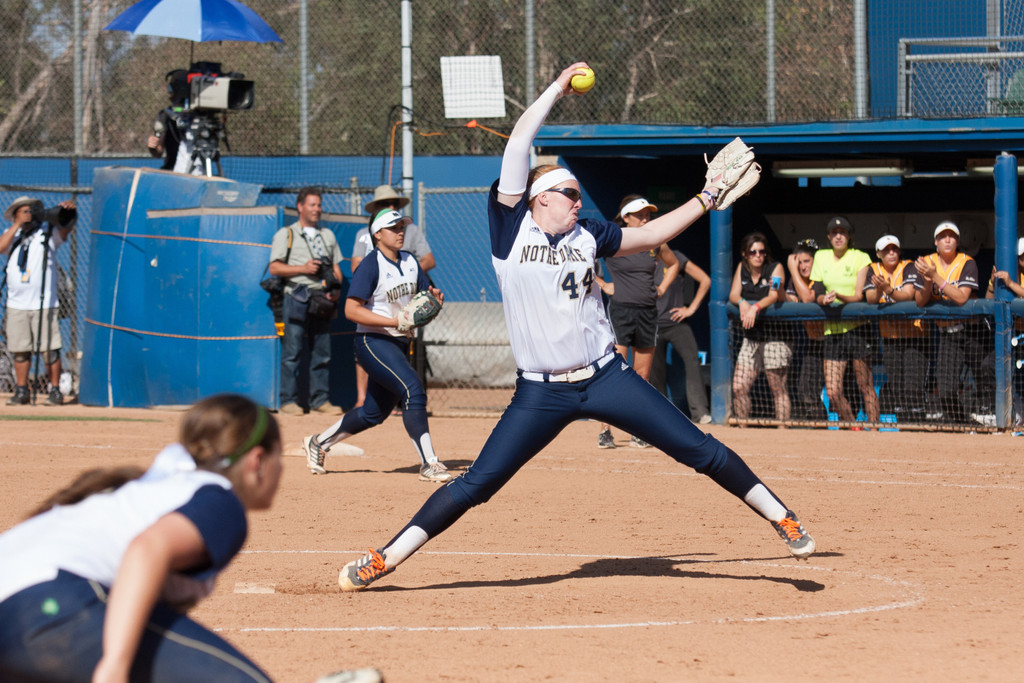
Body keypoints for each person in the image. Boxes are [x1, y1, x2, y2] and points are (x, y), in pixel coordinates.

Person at [334, 63, 815, 594]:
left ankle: (783, 517)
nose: (579, 202)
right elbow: (520, 139)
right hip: (540, 392)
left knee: (697, 449)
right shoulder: (510, 229)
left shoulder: (591, 234)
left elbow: (651, 232)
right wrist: (558, 89)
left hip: (607, 377)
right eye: (571, 194)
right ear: (541, 199)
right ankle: (386, 557)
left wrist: (704, 199)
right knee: (477, 485)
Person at [0, 393, 381, 683]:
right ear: (256, 463)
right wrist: (114, 667)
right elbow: (147, 549)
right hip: (50, 604)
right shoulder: (218, 500)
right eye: (280, 455)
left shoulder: (161, 482)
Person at [302, 208, 452, 482]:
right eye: (394, 227)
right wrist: (395, 321)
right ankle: (429, 463)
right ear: (377, 234)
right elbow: (350, 310)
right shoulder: (371, 264)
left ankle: (318, 443)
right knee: (412, 389)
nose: (400, 231)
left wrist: (434, 302)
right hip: (371, 341)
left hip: (398, 343)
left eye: (402, 226)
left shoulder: (410, 261)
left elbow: (422, 301)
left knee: (374, 412)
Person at [593, 195, 679, 447]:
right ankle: (605, 431)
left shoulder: (654, 242)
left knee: (641, 375)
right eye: (639, 214)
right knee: (615, 372)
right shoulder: (612, 239)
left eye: (647, 214)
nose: (645, 218)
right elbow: (581, 262)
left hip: (647, 312)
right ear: (626, 218)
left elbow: (673, 265)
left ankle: (638, 431)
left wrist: (661, 288)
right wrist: (602, 284)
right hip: (621, 310)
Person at [350, 185, 436, 410]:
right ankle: (361, 397)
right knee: (366, 351)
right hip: (376, 306)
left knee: (376, 411)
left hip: (403, 301)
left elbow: (428, 260)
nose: (391, 207)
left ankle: (400, 401)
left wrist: (409, 273)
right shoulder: (363, 236)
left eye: (394, 204)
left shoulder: (411, 233)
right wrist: (377, 275)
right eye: (384, 204)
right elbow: (356, 266)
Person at [269, 187, 345, 416]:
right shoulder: (286, 234)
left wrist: (337, 289)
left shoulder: (328, 236)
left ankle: (320, 400)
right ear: (300, 207)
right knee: (292, 352)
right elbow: (274, 267)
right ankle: (288, 401)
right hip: (296, 297)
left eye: (319, 205)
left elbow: (336, 268)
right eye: (312, 205)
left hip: (322, 300)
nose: (317, 209)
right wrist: (303, 268)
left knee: (322, 353)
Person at [1, 196, 76, 406]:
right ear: (15, 215)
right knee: (19, 349)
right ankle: (22, 390)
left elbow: (65, 229)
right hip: (17, 303)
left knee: (50, 349)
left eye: (30, 211)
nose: (28, 215)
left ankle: (54, 390)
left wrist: (65, 212)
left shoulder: (46, 233)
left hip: (44, 303)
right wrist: (17, 225)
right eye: (23, 211)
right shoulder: (12, 236)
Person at [914, 221, 989, 422]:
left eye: (952, 236)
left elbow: (962, 297)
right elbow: (920, 301)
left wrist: (935, 276)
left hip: (973, 331)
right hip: (947, 334)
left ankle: (991, 422)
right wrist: (928, 281)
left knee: (985, 382)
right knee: (946, 391)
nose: (947, 240)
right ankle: (962, 424)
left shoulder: (967, 262)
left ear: (957, 241)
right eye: (942, 237)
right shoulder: (927, 262)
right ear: (936, 242)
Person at [810, 217, 878, 427]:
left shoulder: (860, 257)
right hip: (833, 330)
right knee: (832, 391)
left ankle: (874, 430)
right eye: (834, 232)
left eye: (843, 232)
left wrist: (838, 295)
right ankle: (852, 427)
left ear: (849, 236)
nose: (838, 236)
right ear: (828, 236)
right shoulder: (821, 256)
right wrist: (824, 299)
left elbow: (859, 296)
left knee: (864, 385)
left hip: (858, 328)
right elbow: (818, 291)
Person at [728, 232, 790, 424]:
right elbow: (733, 295)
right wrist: (743, 302)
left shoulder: (775, 268)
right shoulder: (742, 268)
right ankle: (743, 430)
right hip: (752, 338)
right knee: (739, 387)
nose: (758, 255)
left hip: (775, 337)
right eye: (753, 252)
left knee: (777, 389)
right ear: (745, 254)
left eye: (761, 252)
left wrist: (755, 307)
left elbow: (774, 296)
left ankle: (783, 431)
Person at [864, 234, 927, 417]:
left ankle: (918, 428)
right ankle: (903, 430)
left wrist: (889, 289)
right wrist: (879, 288)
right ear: (878, 253)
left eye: (894, 249)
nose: (891, 253)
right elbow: (870, 299)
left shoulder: (907, 266)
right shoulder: (873, 269)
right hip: (890, 337)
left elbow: (907, 295)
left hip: (914, 336)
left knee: (913, 387)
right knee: (897, 387)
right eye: (886, 250)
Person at [649, 246, 712, 424]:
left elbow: (705, 280)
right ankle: (661, 415)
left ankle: (700, 412)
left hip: (677, 323)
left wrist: (690, 308)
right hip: (652, 325)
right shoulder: (640, 258)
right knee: (655, 371)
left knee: (693, 361)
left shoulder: (676, 257)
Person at [785, 238, 826, 420]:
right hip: (815, 343)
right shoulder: (796, 281)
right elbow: (792, 301)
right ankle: (820, 430)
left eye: (806, 261)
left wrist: (792, 269)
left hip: (836, 341)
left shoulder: (822, 275)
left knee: (842, 391)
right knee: (806, 390)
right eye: (798, 263)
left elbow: (808, 298)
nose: (802, 267)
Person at [146, 68, 193, 174]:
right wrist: (153, 146)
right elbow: (158, 152)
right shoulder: (166, 115)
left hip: (196, 172)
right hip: (172, 171)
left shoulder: (202, 115)